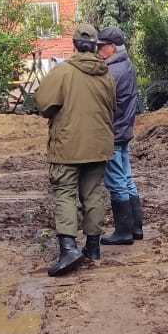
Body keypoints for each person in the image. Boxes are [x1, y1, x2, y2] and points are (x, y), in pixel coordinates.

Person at [34, 23, 116, 276]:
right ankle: (93, 247)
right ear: (95, 46)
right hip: (99, 144)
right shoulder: (107, 75)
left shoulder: (63, 73)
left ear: (74, 45)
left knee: (65, 194)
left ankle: (68, 247)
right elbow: (113, 107)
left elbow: (43, 103)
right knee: (93, 194)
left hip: (68, 146)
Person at [97, 27, 143, 245]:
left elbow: (104, 104)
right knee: (126, 178)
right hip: (124, 130)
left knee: (116, 181)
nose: (98, 51)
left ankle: (123, 231)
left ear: (112, 47)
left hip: (114, 132)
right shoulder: (127, 66)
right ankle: (136, 227)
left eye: (101, 47)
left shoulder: (113, 72)